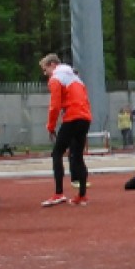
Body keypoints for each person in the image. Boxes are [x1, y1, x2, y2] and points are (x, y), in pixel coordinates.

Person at [39, 54, 92, 207]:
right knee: (78, 155)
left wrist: (50, 126)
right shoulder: (75, 77)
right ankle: (82, 195)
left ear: (52, 64)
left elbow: (54, 106)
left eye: (45, 69)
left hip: (72, 117)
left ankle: (58, 193)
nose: (45, 73)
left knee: (57, 153)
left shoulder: (56, 78)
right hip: (85, 117)